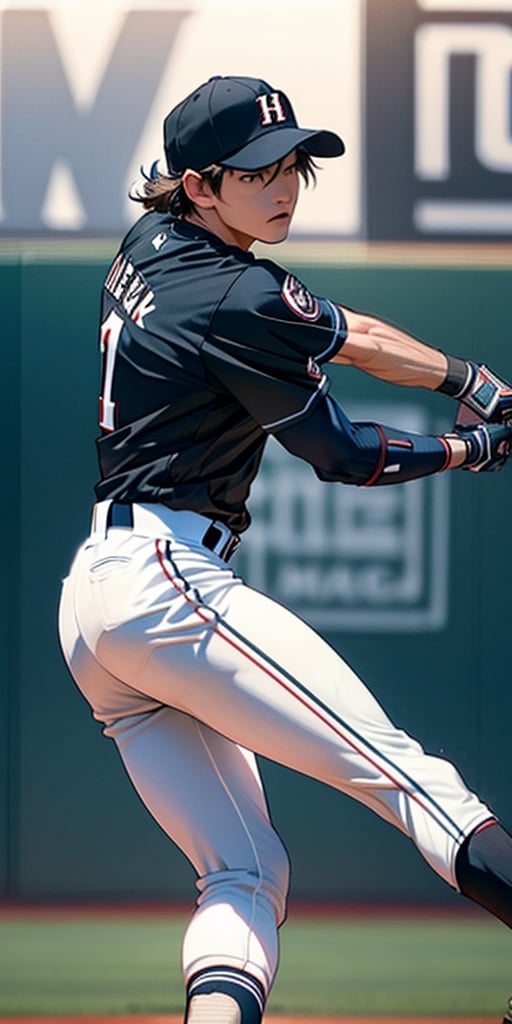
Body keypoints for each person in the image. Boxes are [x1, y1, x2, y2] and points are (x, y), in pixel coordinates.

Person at [58, 75, 512, 1024]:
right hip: (165, 581)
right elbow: (343, 455)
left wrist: (466, 379)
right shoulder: (237, 291)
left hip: (98, 606)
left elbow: (352, 335)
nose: (285, 184)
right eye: (256, 169)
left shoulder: (154, 244)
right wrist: (466, 446)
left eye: (292, 162)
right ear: (198, 184)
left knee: (246, 867)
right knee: (410, 779)